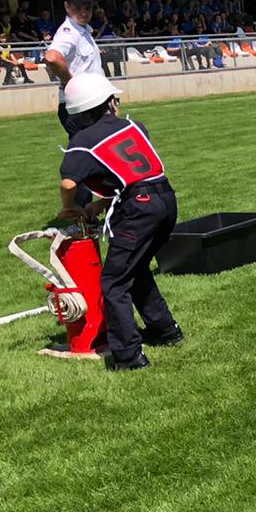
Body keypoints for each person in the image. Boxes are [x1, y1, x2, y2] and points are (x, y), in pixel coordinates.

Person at [55, 74, 183, 371]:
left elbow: (69, 182)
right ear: (107, 102)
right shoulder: (133, 125)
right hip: (165, 199)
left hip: (138, 210)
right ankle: (165, 331)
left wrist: (69, 207)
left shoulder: (83, 140)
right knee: (136, 269)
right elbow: (135, 174)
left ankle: (128, 356)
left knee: (114, 283)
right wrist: (102, 202)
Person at [44, 0, 105, 132]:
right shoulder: (69, 33)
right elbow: (52, 57)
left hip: (92, 103)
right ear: (67, 6)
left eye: (87, 7)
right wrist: (71, 83)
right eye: (77, 7)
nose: (83, 12)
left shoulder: (84, 32)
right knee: (85, 153)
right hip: (80, 107)